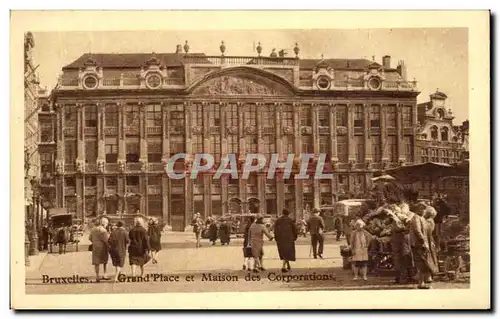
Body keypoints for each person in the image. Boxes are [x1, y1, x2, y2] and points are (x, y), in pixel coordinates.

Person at [409, 202, 438, 289]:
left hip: (423, 244)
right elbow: (418, 231)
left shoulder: (421, 218)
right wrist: (423, 242)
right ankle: (421, 283)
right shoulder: (415, 218)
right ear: (418, 209)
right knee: (421, 263)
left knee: (424, 262)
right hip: (418, 244)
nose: (423, 211)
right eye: (422, 209)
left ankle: (423, 282)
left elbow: (426, 232)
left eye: (424, 209)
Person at [89, 217, 110, 282]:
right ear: (104, 223)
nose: (107, 225)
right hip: (103, 248)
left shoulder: (93, 229)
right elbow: (106, 240)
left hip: (95, 248)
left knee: (96, 262)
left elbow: (90, 238)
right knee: (104, 262)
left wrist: (95, 242)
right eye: (106, 223)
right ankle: (105, 274)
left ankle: (97, 276)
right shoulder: (103, 230)